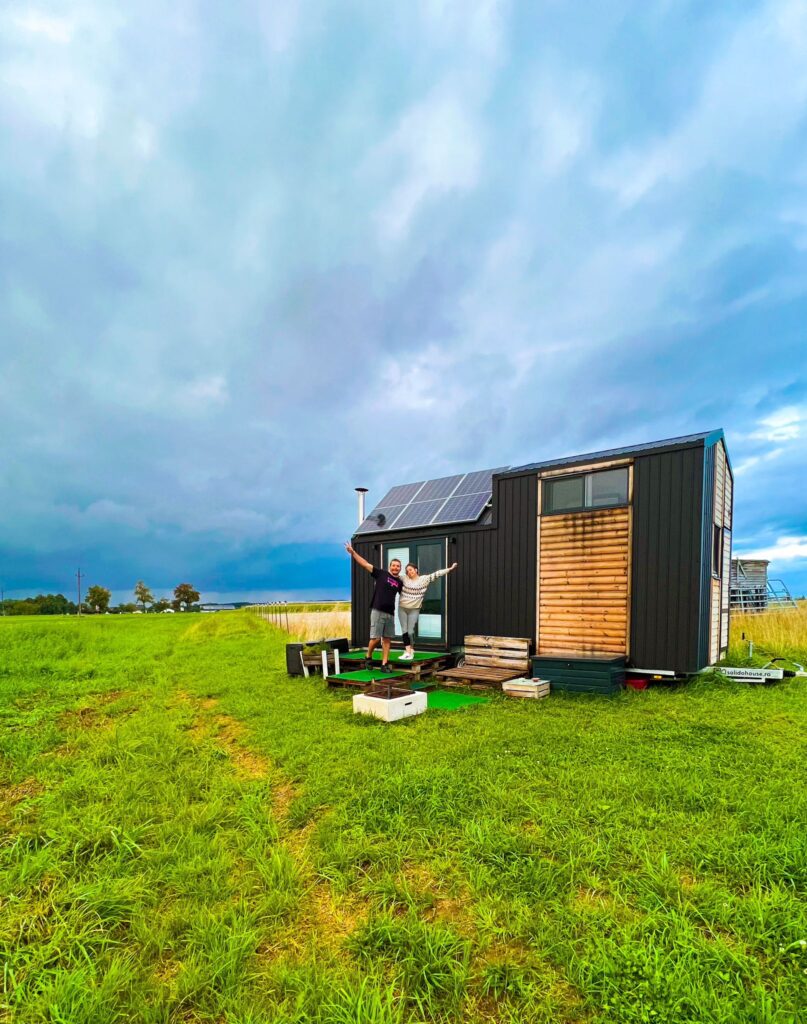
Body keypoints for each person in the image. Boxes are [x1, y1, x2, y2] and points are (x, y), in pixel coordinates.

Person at [344, 542, 404, 673]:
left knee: (387, 639)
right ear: (390, 566)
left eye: (398, 566)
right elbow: (365, 563)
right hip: (377, 610)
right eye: (393, 565)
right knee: (376, 639)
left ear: (400, 568)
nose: (395, 568)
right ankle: (368, 656)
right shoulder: (381, 574)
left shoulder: (399, 582)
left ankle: (384, 664)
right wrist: (353, 553)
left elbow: (406, 595)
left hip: (390, 614)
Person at [398, 561, 457, 659]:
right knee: (405, 630)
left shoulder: (424, 579)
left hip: (414, 609)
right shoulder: (404, 578)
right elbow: (392, 576)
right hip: (402, 608)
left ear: (416, 570)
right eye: (407, 571)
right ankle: (408, 651)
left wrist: (450, 569)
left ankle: (411, 650)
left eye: (411, 570)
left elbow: (437, 574)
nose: (409, 572)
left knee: (410, 631)